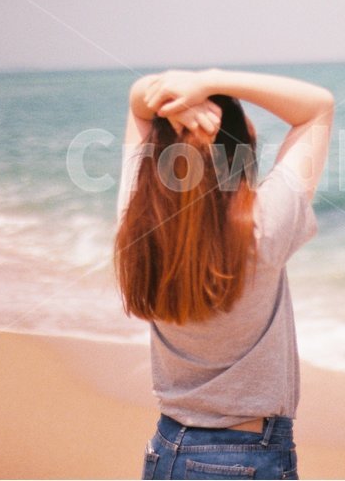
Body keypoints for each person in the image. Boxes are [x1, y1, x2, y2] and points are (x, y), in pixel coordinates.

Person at [114, 68, 333, 480]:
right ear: (242, 152)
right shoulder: (260, 228)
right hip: (248, 458)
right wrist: (214, 79)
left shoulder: (137, 223)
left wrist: (177, 91)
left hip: (167, 450)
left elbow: (137, 103)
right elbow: (316, 107)